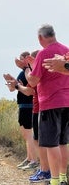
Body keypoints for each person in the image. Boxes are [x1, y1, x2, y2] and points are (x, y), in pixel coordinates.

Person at [24, 24, 69, 185]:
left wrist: (27, 69)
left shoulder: (44, 53)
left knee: (51, 143)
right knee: (64, 142)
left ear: (40, 38)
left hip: (50, 103)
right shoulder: (66, 50)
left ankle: (55, 180)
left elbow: (33, 81)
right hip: (67, 102)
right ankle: (63, 177)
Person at [3, 51, 38, 171]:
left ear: (26, 59)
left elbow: (29, 89)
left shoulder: (30, 72)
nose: (18, 61)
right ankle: (29, 158)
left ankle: (34, 160)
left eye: (21, 59)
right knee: (26, 134)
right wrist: (9, 82)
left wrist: (15, 84)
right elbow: (12, 89)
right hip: (22, 105)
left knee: (29, 135)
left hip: (29, 105)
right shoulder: (22, 73)